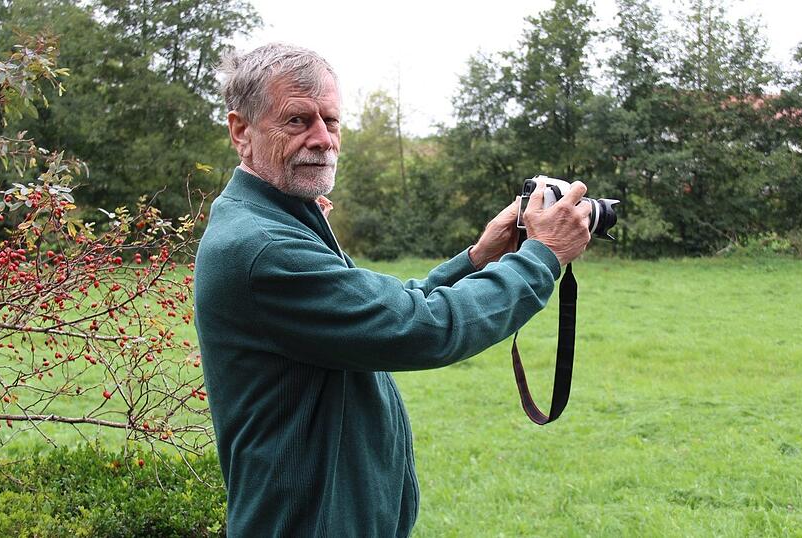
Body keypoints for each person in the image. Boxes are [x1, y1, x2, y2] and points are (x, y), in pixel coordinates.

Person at [193, 42, 593, 538]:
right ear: (241, 131)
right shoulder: (262, 248)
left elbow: (379, 311)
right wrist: (543, 255)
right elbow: (422, 329)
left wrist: (479, 259)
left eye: (332, 122)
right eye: (298, 121)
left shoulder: (277, 220)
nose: (323, 139)